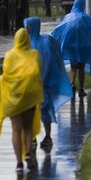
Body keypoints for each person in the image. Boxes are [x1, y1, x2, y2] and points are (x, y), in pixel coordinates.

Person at [0, 28, 44, 175]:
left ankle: (19, 163)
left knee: (16, 129)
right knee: (28, 128)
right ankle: (28, 152)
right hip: (30, 96)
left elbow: (7, 75)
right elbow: (39, 69)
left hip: (14, 97)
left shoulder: (9, 56)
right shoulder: (34, 54)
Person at [24, 17, 73, 152]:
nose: (25, 29)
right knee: (41, 111)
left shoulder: (30, 43)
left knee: (39, 111)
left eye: (27, 26)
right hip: (43, 83)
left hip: (38, 84)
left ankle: (42, 136)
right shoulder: (45, 41)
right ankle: (41, 136)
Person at [51, 0, 91, 98]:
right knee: (81, 67)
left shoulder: (68, 16)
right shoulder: (85, 17)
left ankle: (72, 83)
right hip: (82, 45)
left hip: (70, 45)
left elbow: (61, 28)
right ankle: (81, 89)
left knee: (73, 66)